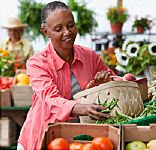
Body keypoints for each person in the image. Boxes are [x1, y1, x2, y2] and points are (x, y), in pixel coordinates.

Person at [17, 1, 116, 149]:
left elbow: (114, 80)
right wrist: (81, 107)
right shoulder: (37, 63)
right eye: (58, 29)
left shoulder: (89, 56)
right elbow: (51, 99)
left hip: (80, 139)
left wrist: (107, 80)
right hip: (42, 136)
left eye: (70, 25)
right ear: (46, 32)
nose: (67, 32)